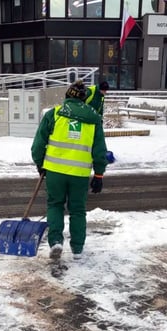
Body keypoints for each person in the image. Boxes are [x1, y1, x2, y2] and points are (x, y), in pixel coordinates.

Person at [31, 80, 108, 260]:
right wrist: (99, 174)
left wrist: (40, 164)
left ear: (67, 96)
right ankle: (78, 249)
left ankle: (56, 241)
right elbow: (100, 151)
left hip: (55, 172)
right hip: (79, 174)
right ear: (84, 99)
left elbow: (38, 145)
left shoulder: (54, 114)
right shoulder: (94, 119)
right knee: (78, 210)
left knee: (55, 205)